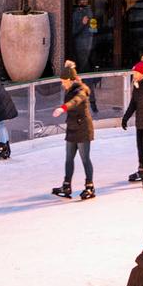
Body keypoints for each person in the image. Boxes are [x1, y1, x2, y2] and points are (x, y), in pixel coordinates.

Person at [53, 61, 99, 199]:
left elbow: (76, 101)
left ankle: (90, 187)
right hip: (72, 127)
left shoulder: (81, 90)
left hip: (83, 128)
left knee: (85, 158)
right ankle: (66, 185)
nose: (63, 84)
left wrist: (63, 108)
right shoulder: (71, 88)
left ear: (71, 80)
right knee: (68, 158)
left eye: (64, 81)